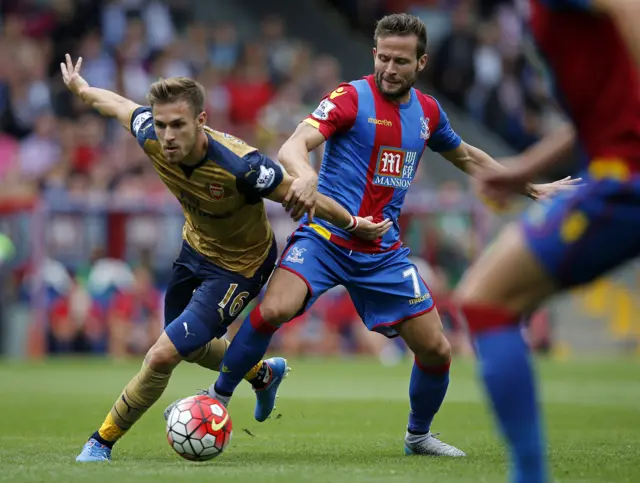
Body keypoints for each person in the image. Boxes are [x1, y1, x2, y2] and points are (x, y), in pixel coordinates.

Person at [199, 13, 577, 458]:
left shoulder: (428, 112)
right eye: (383, 57)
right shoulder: (350, 97)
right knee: (275, 308)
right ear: (374, 54)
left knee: (437, 349)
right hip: (326, 237)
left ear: (421, 63)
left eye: (401, 60)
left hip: (382, 252)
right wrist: (303, 177)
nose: (390, 68)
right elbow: (294, 145)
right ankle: (217, 398)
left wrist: (532, 187)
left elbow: (468, 157)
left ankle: (418, 436)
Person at [60, 55, 390, 462]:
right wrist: (80, 87)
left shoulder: (243, 167)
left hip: (240, 267)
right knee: (192, 348)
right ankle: (263, 374)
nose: (167, 136)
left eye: (178, 125)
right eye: (161, 125)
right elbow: (116, 105)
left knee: (162, 354)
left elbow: (309, 198)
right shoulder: (150, 134)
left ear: (201, 120)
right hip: (193, 249)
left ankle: (101, 441)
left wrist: (354, 222)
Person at [451, 0, 640, 481]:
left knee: (486, 299)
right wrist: (524, 169)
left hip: (626, 177)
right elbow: (600, 110)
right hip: (615, 169)